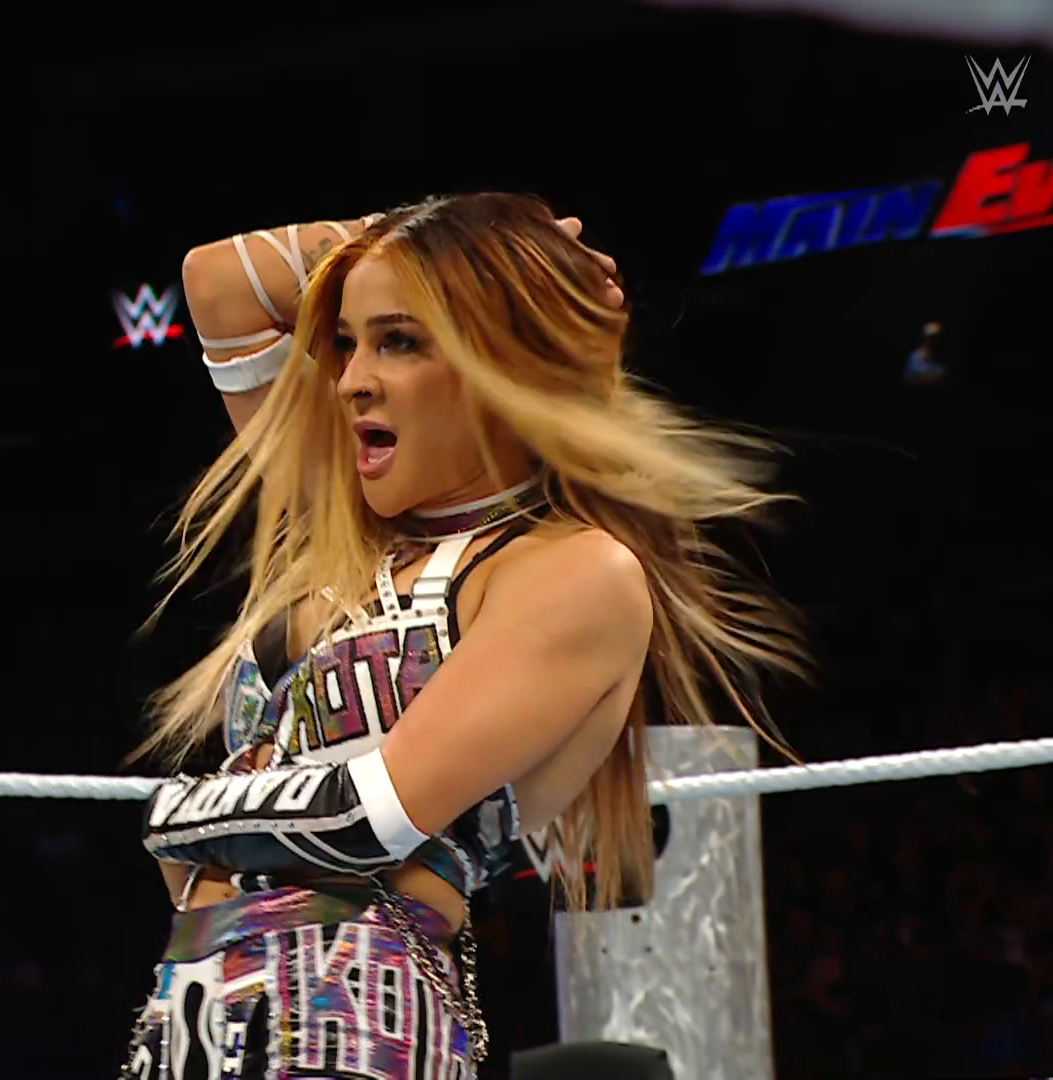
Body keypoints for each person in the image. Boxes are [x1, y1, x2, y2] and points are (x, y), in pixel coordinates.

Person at [117, 194, 810, 1079]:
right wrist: (449, 235)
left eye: (400, 341)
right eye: (347, 342)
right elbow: (217, 281)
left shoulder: (575, 572)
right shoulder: (345, 538)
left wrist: (172, 818)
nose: (350, 379)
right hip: (192, 1021)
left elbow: (369, 817)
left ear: (503, 362)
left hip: (356, 1029)